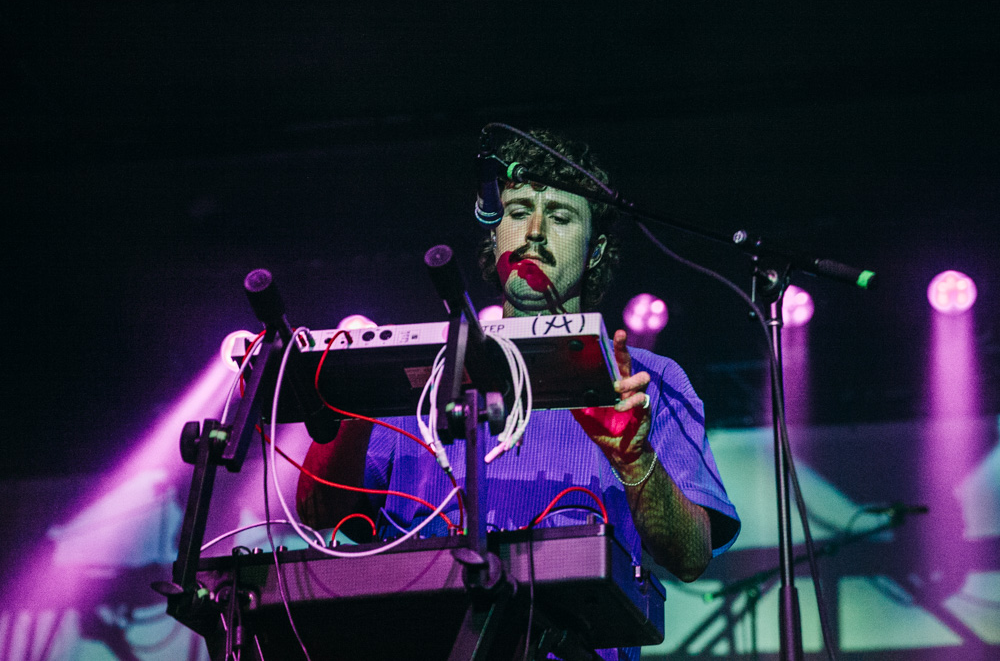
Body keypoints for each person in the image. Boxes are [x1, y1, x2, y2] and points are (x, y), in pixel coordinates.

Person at [296, 129, 740, 660]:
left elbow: (691, 557)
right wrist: (359, 403)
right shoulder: (422, 369)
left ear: (596, 249)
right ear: (494, 234)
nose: (533, 232)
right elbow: (319, 512)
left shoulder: (647, 378)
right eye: (518, 211)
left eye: (560, 217)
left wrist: (636, 460)